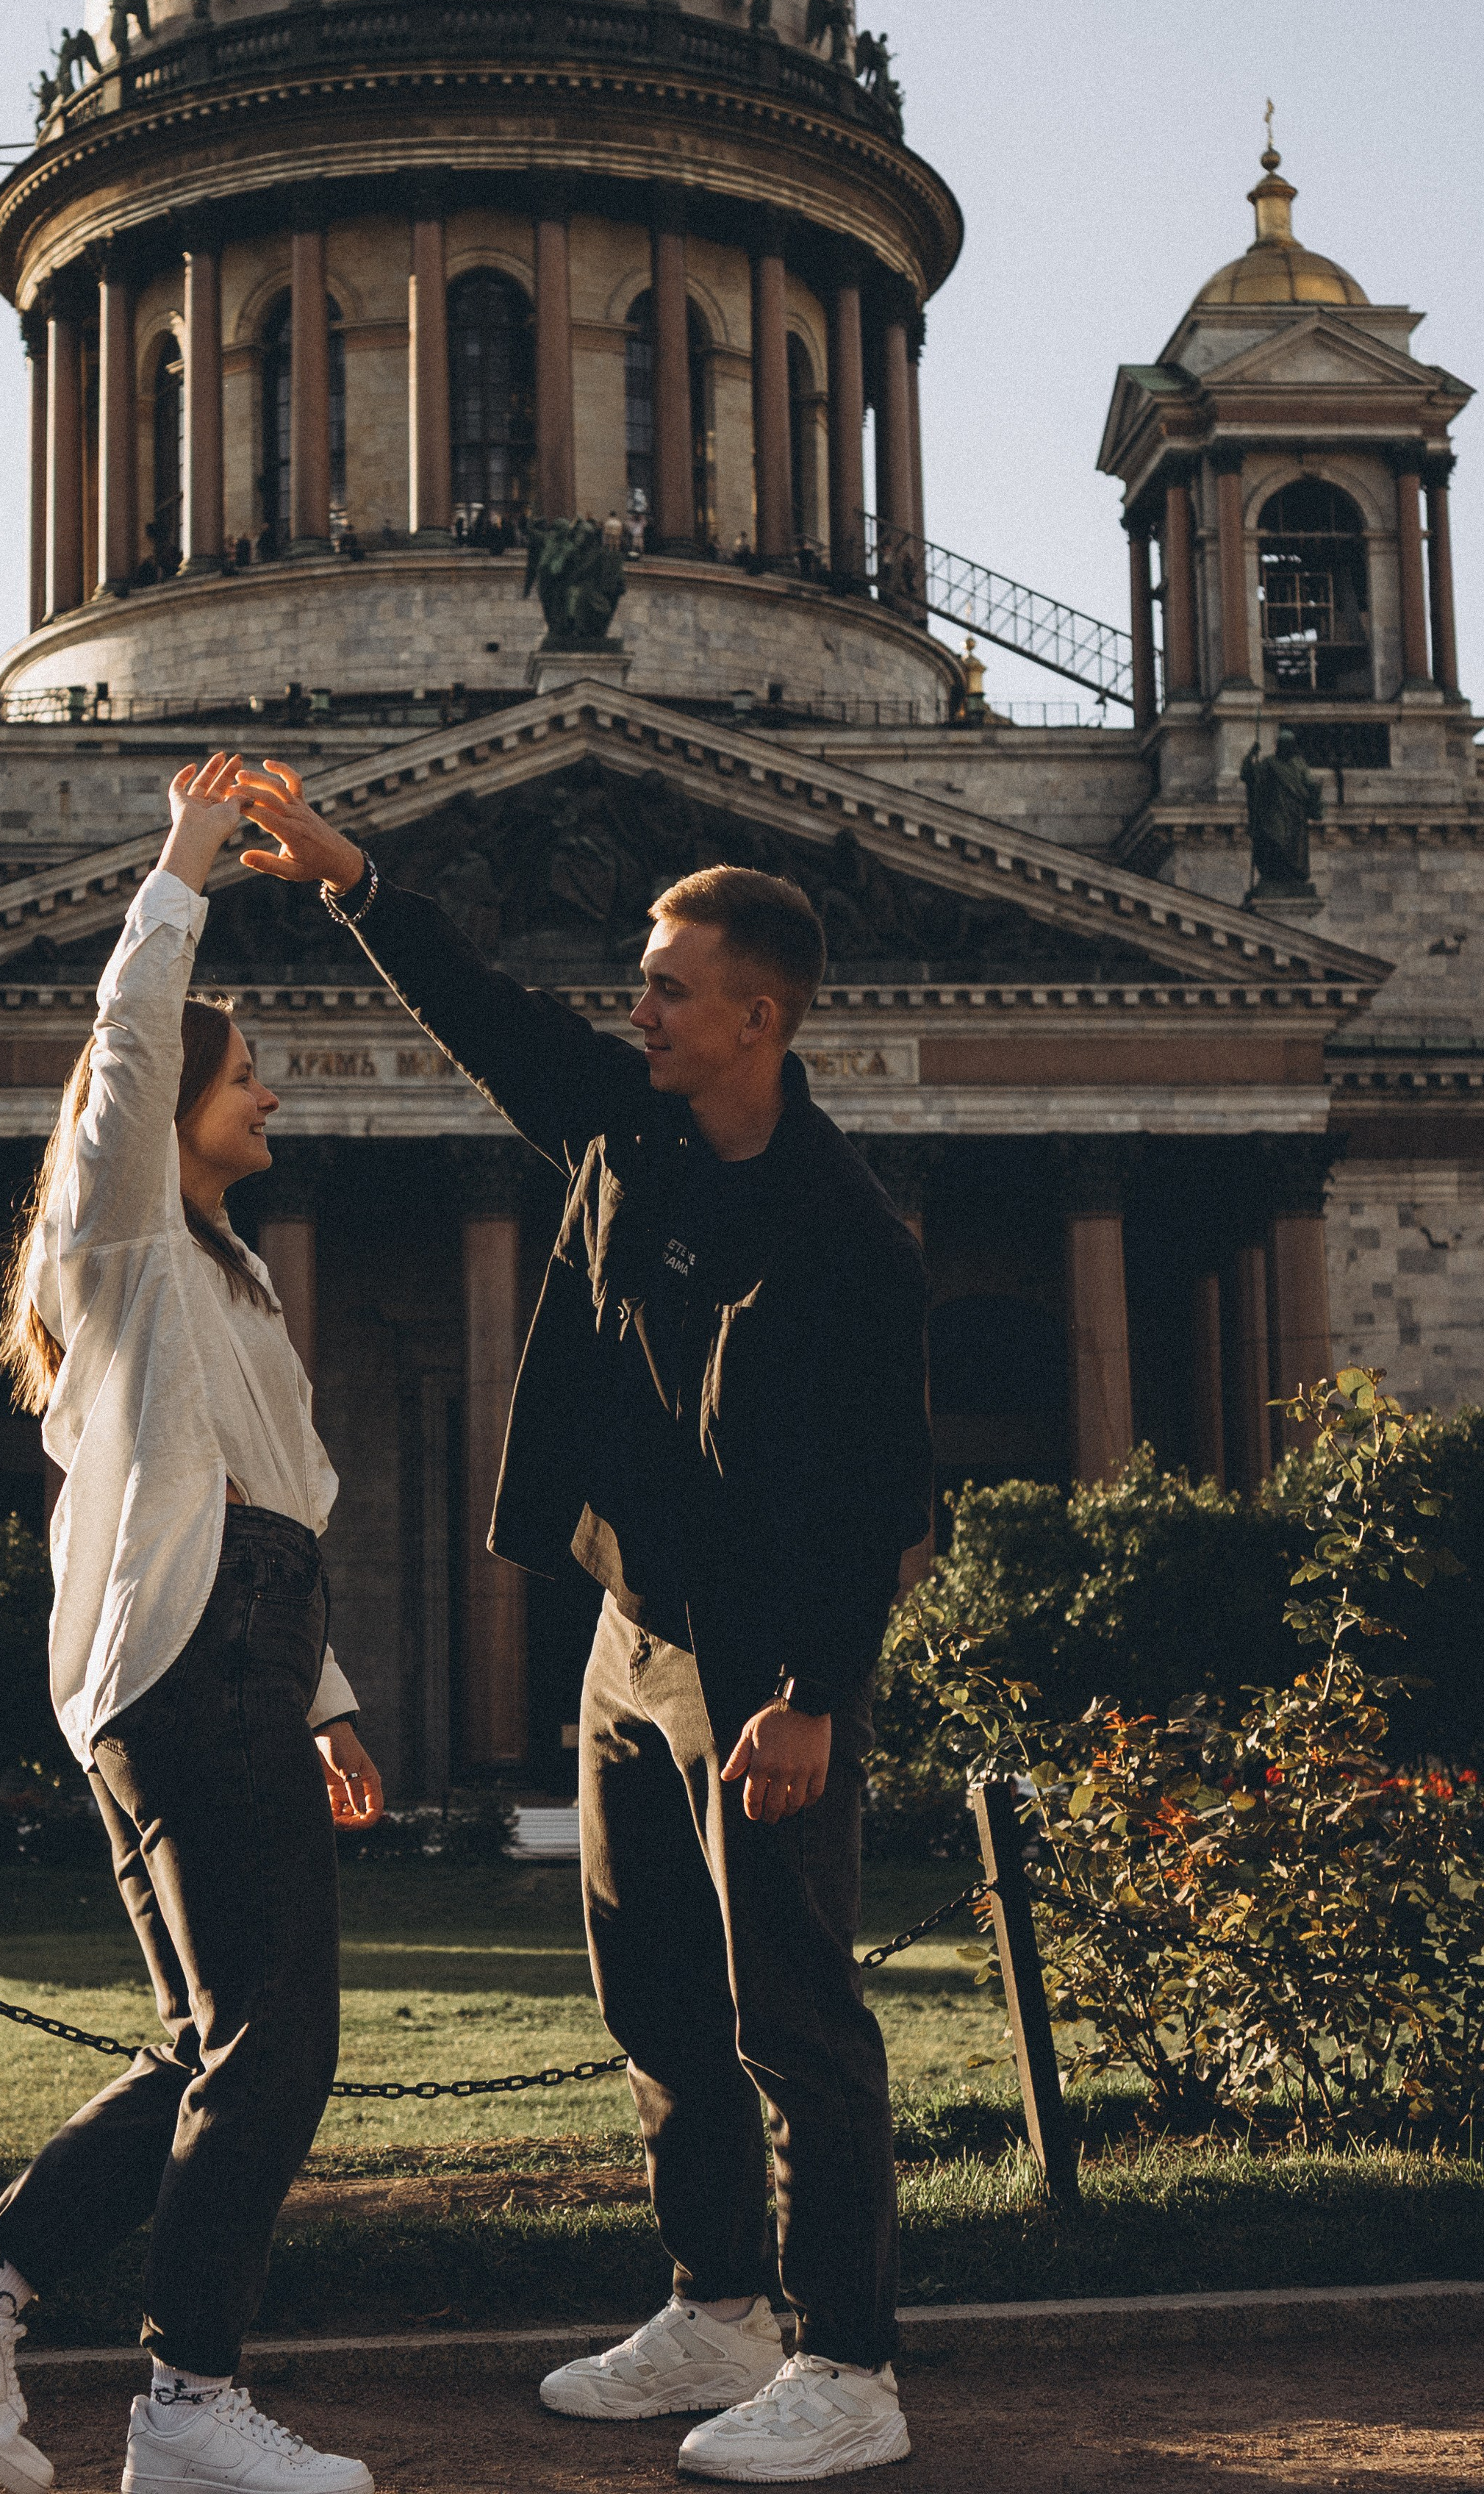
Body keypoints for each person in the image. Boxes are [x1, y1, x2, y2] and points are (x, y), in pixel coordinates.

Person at [228, 760, 932, 2483]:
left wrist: (811, 1694)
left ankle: (848, 2365)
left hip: (761, 1666)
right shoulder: (626, 1125)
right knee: (657, 1999)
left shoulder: (844, 1233)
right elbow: (488, 1019)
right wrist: (350, 878)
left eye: (665, 987)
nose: (636, 1009)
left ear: (754, 1019)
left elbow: (878, 1490)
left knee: (795, 2019)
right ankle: (717, 2310)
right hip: (637, 1635)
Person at [0, 753, 384, 2494]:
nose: (276, 1102)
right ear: (167, 1106)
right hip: (187, 1648)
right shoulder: (128, 1236)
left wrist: (323, 1700)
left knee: (213, 2040)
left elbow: (284, 1495)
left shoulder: (225, 1274)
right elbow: (132, 1045)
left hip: (233, 1651)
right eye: (252, 1080)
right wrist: (181, 870)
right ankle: (183, 2401)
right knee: (277, 2038)